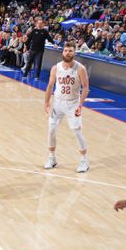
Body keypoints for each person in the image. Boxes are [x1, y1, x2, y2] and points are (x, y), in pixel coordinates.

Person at [43, 41, 90, 172]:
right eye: (65, 50)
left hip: (73, 103)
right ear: (62, 52)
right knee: (51, 130)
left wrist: (81, 104)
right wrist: (46, 102)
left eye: (70, 51)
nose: (67, 53)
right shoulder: (56, 68)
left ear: (74, 52)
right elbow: (50, 85)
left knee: (77, 131)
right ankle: (52, 158)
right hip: (58, 103)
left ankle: (84, 160)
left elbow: (86, 87)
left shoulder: (80, 68)